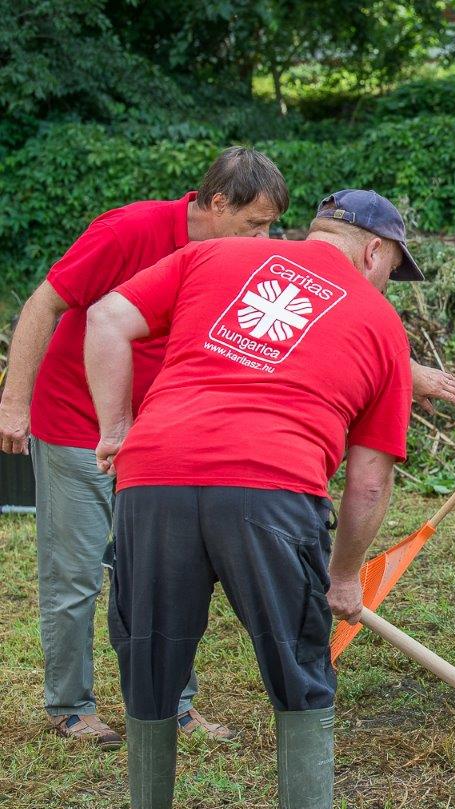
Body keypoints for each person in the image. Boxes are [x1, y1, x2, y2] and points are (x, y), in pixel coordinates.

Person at [84, 189, 417, 809]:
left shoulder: (215, 254)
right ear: (374, 251)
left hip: (153, 479)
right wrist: (345, 575)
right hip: (273, 486)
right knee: (298, 657)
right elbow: (370, 480)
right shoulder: (382, 325)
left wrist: (116, 427)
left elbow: (105, 317)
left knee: (150, 653)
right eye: (392, 270)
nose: (388, 284)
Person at [0, 147, 289, 749]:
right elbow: (43, 304)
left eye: (270, 226)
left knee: (163, 575)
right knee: (76, 576)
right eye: (255, 224)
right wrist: (12, 402)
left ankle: (173, 706)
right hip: (77, 423)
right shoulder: (130, 230)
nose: (265, 238)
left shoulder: (234, 257)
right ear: (215, 203)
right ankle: (71, 707)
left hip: (159, 438)